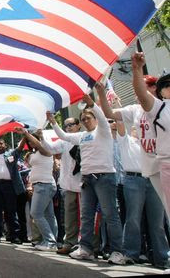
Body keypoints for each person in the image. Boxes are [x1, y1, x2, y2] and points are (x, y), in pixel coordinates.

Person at [47, 94, 128, 265]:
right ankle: (86, 249)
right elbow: (63, 136)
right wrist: (53, 121)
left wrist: (91, 104)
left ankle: (118, 251)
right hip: (86, 180)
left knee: (110, 215)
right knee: (86, 216)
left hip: (105, 178)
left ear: (96, 119)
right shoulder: (82, 136)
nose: (85, 120)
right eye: (83, 119)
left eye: (88, 117)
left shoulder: (103, 130)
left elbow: (101, 117)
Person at [131, 52, 170, 218]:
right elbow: (142, 94)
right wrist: (137, 69)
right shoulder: (159, 109)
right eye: (167, 85)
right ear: (161, 92)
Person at [40, 116, 83, 255]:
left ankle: (88, 245)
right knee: (69, 217)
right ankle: (70, 243)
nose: (68, 127)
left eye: (71, 124)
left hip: (85, 184)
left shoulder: (84, 137)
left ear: (79, 125)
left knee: (85, 216)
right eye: (66, 125)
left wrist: (53, 122)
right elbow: (50, 148)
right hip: (68, 184)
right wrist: (41, 138)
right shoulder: (64, 141)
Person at [20, 128, 58, 252]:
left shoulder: (46, 149)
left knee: (36, 213)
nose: (31, 143)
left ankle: (50, 242)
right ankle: (51, 241)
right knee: (48, 215)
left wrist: (26, 133)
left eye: (33, 139)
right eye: (29, 141)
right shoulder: (35, 153)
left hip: (44, 185)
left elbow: (37, 143)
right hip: (40, 185)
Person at [0, 137, 25, 244]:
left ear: (5, 145)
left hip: (9, 185)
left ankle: (14, 235)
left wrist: (24, 136)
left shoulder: (11, 154)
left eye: (1, 143)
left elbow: (19, 149)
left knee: (11, 211)